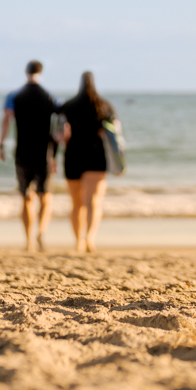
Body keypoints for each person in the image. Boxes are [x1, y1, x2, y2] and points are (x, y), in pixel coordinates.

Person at [0, 60, 60, 252]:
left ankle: (28, 241)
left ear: (26, 73)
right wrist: (56, 153)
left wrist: (1, 143)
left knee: (25, 196)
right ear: (40, 72)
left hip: (22, 151)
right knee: (45, 196)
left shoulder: (14, 96)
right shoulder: (50, 96)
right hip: (44, 152)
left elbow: (7, 119)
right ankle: (41, 232)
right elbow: (60, 124)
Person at [55, 70, 115, 255]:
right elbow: (115, 132)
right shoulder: (104, 105)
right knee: (93, 202)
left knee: (76, 204)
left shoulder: (68, 106)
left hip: (73, 155)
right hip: (96, 156)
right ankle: (90, 238)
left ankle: (78, 241)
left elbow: (59, 133)